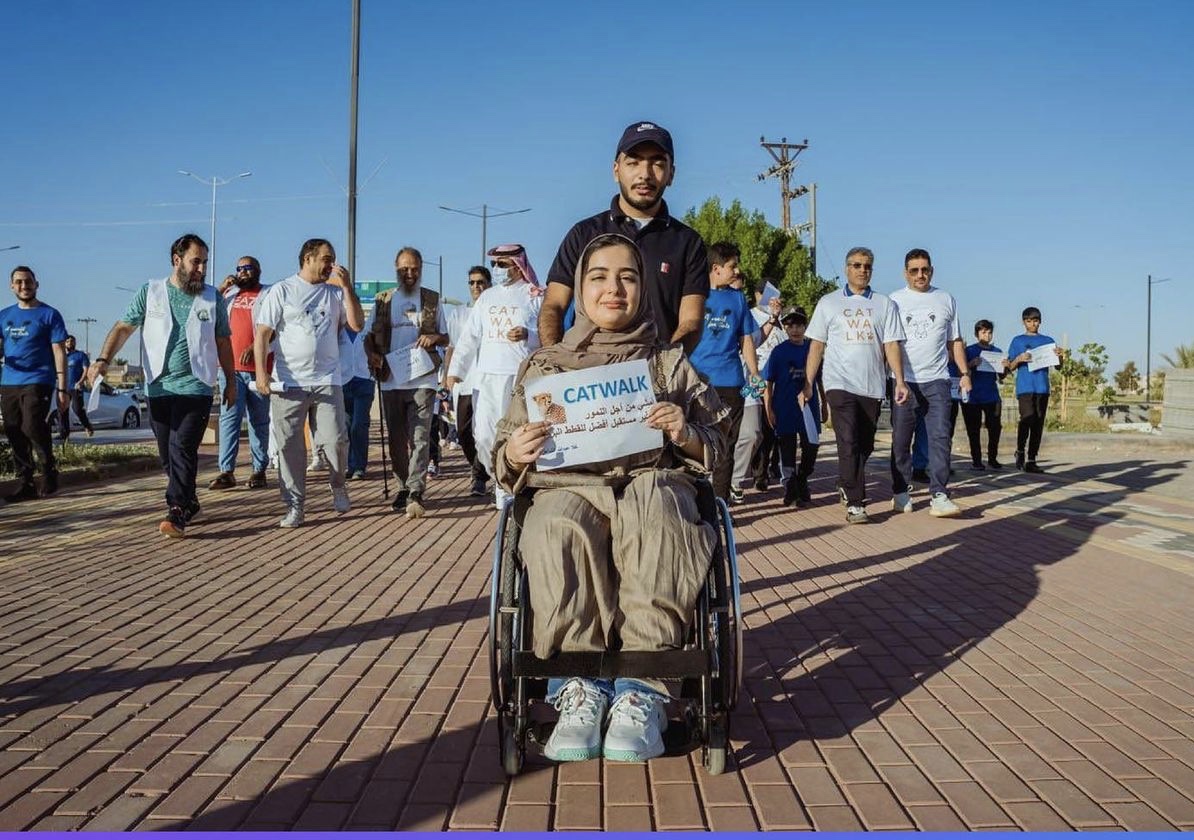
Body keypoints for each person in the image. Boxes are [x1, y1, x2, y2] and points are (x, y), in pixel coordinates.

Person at [493, 233, 728, 763]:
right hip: (566, 485)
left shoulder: (669, 365)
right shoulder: (545, 367)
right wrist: (515, 449)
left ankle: (642, 690)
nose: (613, 288)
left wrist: (686, 433)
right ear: (579, 288)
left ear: (643, 289)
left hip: (652, 481)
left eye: (627, 276)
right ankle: (579, 690)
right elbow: (501, 463)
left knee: (658, 513)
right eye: (599, 276)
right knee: (554, 525)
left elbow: (719, 446)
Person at [89, 235, 236, 536]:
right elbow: (123, 328)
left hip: (197, 386)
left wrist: (231, 381)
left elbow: (223, 341)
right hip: (158, 387)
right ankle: (190, 500)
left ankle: (177, 509)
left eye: (205, 263)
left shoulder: (213, 297)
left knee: (182, 447)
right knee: (168, 456)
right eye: (197, 261)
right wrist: (103, 359)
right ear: (176, 260)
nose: (202, 269)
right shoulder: (151, 292)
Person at [540, 121, 709, 355]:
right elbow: (553, 305)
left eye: (658, 163)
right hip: (585, 380)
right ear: (616, 169)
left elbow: (691, 322)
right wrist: (555, 361)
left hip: (653, 382)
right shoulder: (583, 233)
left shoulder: (688, 243)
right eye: (633, 162)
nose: (645, 174)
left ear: (671, 174)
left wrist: (664, 368)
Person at [253, 238, 364, 527]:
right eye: (327, 259)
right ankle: (295, 505)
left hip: (328, 379)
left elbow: (356, 324)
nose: (331, 265)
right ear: (308, 259)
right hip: (289, 382)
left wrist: (348, 287)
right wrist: (262, 373)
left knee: (336, 439)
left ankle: (338, 484)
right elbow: (263, 334)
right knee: (290, 446)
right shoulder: (282, 290)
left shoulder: (335, 293)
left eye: (333, 259)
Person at [802, 247, 908, 524]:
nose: (863, 270)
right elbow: (817, 345)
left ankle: (844, 480)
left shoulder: (885, 304)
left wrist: (900, 379)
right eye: (857, 265)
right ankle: (856, 503)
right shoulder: (829, 303)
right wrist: (808, 382)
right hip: (839, 382)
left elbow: (891, 344)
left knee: (864, 445)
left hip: (872, 385)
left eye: (867, 266)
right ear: (847, 268)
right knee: (847, 440)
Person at [446, 244, 542, 509]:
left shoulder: (535, 295)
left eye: (502, 264)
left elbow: (548, 335)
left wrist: (528, 335)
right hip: (487, 377)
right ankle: (499, 480)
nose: (497, 270)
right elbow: (469, 338)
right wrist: (455, 371)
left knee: (519, 434)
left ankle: (515, 486)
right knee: (484, 435)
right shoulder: (487, 299)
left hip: (520, 377)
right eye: (495, 265)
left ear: (517, 264)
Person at [363, 247, 448, 519]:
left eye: (414, 269)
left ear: (421, 269)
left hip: (422, 378)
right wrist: (372, 354)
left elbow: (446, 338)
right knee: (397, 441)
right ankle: (402, 485)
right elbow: (367, 336)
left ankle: (415, 490)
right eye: (404, 269)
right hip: (390, 379)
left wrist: (434, 339)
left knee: (420, 437)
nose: (409, 274)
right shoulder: (383, 300)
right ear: (396, 269)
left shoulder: (432, 300)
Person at [888, 248, 971, 518]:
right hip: (905, 382)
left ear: (931, 271)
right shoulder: (894, 301)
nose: (920, 275)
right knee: (901, 440)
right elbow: (890, 344)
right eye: (914, 270)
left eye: (925, 270)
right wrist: (895, 378)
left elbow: (954, 340)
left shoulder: (945, 299)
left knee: (940, 438)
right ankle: (901, 492)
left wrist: (964, 372)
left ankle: (939, 494)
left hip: (938, 380)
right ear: (905, 273)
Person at [687, 242, 758, 502]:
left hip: (730, 381)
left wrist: (754, 371)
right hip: (697, 381)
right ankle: (693, 502)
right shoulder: (694, 294)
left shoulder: (738, 298)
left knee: (727, 445)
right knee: (693, 442)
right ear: (716, 268)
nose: (737, 271)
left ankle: (720, 505)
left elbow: (746, 339)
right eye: (732, 266)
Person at [1, 266, 69, 502]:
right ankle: (26, 482)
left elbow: (59, 352)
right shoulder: (4, 316)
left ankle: (48, 469)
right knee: (12, 429)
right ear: (12, 286)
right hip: (9, 380)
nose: (24, 286)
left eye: (28, 281)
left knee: (32, 425)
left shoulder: (49, 315)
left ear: (36, 284)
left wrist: (63, 388)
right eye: (18, 282)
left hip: (39, 379)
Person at [209, 256, 271, 490]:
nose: (243, 272)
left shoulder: (268, 294)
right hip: (230, 369)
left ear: (258, 270)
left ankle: (259, 470)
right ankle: (226, 472)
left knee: (259, 421)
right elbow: (204, 308)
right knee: (229, 420)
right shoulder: (228, 295)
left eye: (248, 268)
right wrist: (222, 288)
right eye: (239, 269)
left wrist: (254, 347)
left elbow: (274, 326)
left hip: (258, 369)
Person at [763, 307, 826, 507]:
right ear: (784, 327)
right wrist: (769, 409)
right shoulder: (778, 352)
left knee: (811, 446)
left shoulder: (812, 349)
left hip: (809, 407)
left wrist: (825, 404)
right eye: (790, 325)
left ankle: (802, 478)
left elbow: (821, 380)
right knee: (787, 449)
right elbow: (768, 382)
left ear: (805, 326)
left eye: (799, 324)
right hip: (784, 407)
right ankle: (790, 487)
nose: (795, 329)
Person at [444, 265, 492, 496]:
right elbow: (452, 347)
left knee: (483, 432)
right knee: (463, 432)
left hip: (487, 381)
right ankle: (480, 468)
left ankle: (479, 477)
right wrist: (447, 376)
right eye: (472, 282)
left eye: (481, 282)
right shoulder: (458, 314)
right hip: (463, 382)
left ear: (489, 284)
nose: (476, 286)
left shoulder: (494, 311)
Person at [732, 281, 783, 499]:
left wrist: (773, 318)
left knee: (753, 433)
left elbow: (757, 339)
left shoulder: (746, 315)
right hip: (720, 380)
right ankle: (720, 480)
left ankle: (734, 479)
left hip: (749, 382)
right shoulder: (712, 306)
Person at [1006, 306, 1065, 473]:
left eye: (1035, 321)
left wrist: (1060, 356)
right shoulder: (1017, 341)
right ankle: (1020, 450)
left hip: (1042, 387)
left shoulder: (1048, 340)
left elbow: (1059, 367)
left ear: (1040, 322)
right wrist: (1019, 358)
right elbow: (1009, 366)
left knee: (1038, 423)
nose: (1032, 324)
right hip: (1025, 387)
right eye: (1029, 321)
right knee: (1027, 419)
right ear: (1024, 322)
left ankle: (1032, 459)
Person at [962, 319, 1005, 470]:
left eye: (989, 332)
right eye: (983, 332)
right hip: (972, 396)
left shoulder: (997, 352)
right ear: (976, 334)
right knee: (973, 430)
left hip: (991, 395)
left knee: (995, 428)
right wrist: (970, 365)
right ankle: (977, 460)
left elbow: (1002, 377)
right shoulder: (969, 351)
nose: (987, 335)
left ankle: (992, 458)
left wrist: (1005, 368)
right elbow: (961, 369)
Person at [341, 327, 374, 480]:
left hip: (364, 379)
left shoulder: (367, 326)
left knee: (359, 424)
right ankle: (351, 465)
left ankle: (359, 466)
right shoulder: (338, 327)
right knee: (347, 425)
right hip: (343, 380)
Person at [59, 334, 95, 441]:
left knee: (77, 409)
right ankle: (64, 434)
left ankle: (87, 426)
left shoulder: (80, 355)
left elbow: (86, 370)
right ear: (64, 343)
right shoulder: (63, 356)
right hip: (64, 387)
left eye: (72, 341)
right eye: (67, 341)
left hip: (76, 387)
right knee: (62, 409)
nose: (70, 343)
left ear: (75, 343)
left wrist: (80, 381)